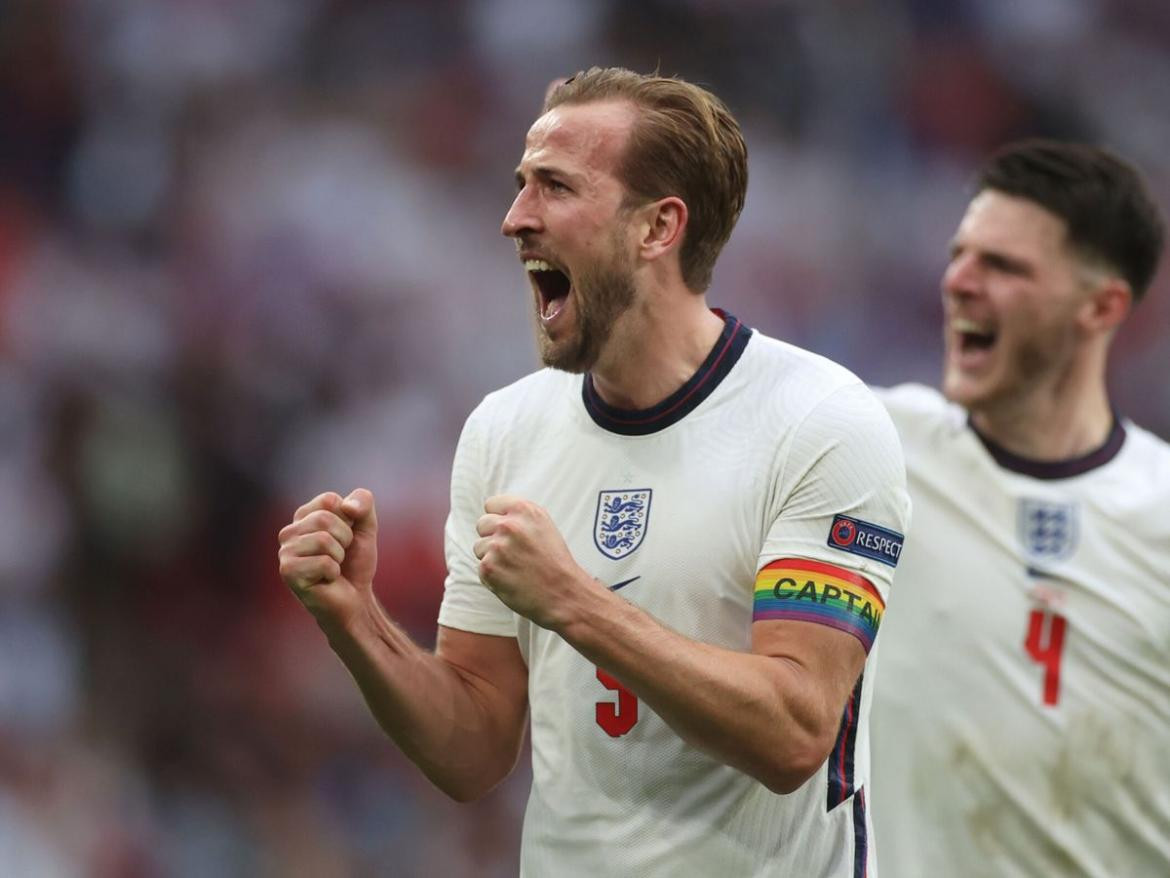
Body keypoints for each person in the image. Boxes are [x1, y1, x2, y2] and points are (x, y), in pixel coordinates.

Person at [278, 67, 909, 876]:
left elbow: (794, 732)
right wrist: (354, 619)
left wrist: (576, 601)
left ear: (657, 228)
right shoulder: (505, 432)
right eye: (519, 185)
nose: (514, 219)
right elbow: (474, 749)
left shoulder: (820, 422)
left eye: (554, 187)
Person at [869, 140, 1170, 876]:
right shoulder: (872, 450)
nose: (957, 282)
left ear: (1101, 306)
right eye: (960, 254)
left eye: (1001, 266)